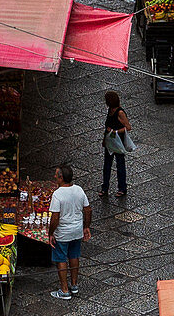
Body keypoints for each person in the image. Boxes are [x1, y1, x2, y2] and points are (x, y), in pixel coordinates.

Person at [48, 164, 91, 300]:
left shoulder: (57, 194)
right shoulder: (79, 190)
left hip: (63, 233)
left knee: (61, 259)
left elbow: (55, 217)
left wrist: (50, 233)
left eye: (56, 175)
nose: (54, 177)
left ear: (61, 177)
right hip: (77, 231)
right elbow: (88, 210)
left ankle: (64, 290)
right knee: (74, 256)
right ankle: (74, 285)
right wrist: (86, 227)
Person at [101, 90, 131, 198]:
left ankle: (122, 188)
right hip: (110, 142)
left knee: (120, 165)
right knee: (107, 166)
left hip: (118, 143)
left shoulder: (120, 112)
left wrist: (115, 131)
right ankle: (105, 188)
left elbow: (128, 128)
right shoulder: (110, 110)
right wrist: (104, 139)